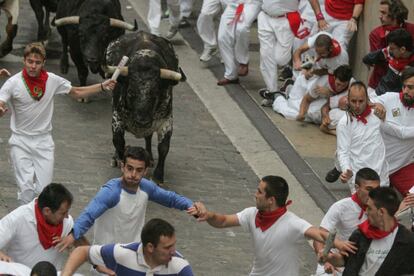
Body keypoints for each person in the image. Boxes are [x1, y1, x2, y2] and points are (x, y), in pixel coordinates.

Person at [0, 42, 116, 205]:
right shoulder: (13, 82)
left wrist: (102, 86)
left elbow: (76, 92)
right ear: (24, 61)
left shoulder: (52, 80)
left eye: (37, 62)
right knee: (26, 191)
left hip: (43, 142)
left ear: (43, 63)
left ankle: (38, 220)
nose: (33, 66)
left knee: (44, 192)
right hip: (20, 141)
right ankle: (29, 226)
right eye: (30, 61)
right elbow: (1, 102)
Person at [188, 175, 356, 276]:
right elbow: (223, 220)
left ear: (271, 200)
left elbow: (318, 234)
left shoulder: (292, 223)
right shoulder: (251, 214)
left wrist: (338, 243)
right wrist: (207, 214)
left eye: (259, 191)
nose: (255, 195)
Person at [56, 146, 194, 251]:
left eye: (139, 170)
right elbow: (89, 214)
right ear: (122, 167)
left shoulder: (146, 187)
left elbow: (171, 199)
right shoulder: (111, 192)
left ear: (146, 171)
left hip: (133, 257)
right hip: (106, 259)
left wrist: (192, 206)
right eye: (129, 168)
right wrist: (73, 235)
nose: (133, 174)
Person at [322, 187, 414, 275]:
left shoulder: (407, 241)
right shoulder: (360, 234)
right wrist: (330, 258)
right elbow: (346, 260)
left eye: (369, 208)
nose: (366, 211)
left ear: (381, 212)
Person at [61, 218, 193, 276]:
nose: (173, 251)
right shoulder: (123, 253)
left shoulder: (180, 267)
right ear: (150, 247)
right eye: (167, 247)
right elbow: (81, 251)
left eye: (173, 245)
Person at [313, 168, 380, 276]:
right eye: (369, 189)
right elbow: (319, 237)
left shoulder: (381, 210)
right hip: (334, 263)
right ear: (357, 188)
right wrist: (327, 259)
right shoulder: (340, 207)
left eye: (377, 189)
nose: (374, 194)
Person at [257, 0, 328, 97]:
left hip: (291, 20)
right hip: (268, 17)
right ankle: (272, 91)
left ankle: (297, 80)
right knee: (266, 55)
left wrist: (319, 17)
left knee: (281, 59)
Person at [0, 183, 74, 269]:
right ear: (47, 211)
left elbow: (82, 249)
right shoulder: (18, 218)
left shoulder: (67, 222)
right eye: (63, 213)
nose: (67, 216)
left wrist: (71, 243)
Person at [335, 82, 389, 192]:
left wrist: (383, 117)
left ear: (367, 99)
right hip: (358, 177)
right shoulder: (344, 123)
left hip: (380, 175)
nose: (357, 105)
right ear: (348, 100)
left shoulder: (377, 114)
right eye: (353, 101)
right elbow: (343, 152)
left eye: (361, 101)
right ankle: (337, 168)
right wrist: (346, 170)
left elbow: (391, 131)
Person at [372, 67, 414, 196]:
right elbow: (371, 101)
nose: (406, 91)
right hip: (376, 162)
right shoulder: (390, 97)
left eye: (411, 87)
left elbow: (403, 134)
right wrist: (376, 104)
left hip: (403, 166)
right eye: (405, 86)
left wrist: (384, 123)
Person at [368, 0, 414, 89]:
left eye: (383, 13)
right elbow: (379, 61)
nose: (380, 16)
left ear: (395, 14)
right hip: (379, 86)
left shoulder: (412, 30)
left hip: (407, 86)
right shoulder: (375, 34)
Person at [216, 0, 261, 86]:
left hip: (252, 3)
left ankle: (243, 61)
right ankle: (231, 75)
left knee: (242, 29)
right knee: (222, 37)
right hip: (233, 3)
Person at [364, 28, 414, 97]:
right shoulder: (390, 52)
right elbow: (370, 57)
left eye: (392, 48)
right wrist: (367, 60)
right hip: (379, 94)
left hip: (399, 100)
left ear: (402, 49)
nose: (389, 50)